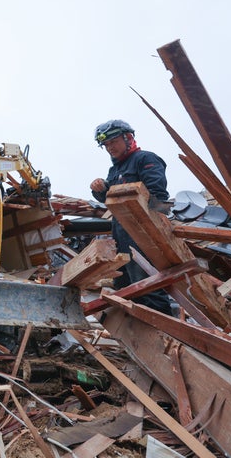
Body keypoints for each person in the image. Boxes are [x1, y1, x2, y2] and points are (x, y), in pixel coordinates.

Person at [89, 119, 173, 315]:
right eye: (106, 145)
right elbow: (112, 199)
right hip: (122, 236)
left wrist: (152, 232)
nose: (110, 148)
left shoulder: (145, 159)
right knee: (125, 289)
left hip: (143, 236)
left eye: (113, 142)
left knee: (147, 288)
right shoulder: (115, 170)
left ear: (128, 138)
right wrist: (101, 190)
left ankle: (164, 333)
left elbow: (158, 199)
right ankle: (139, 339)